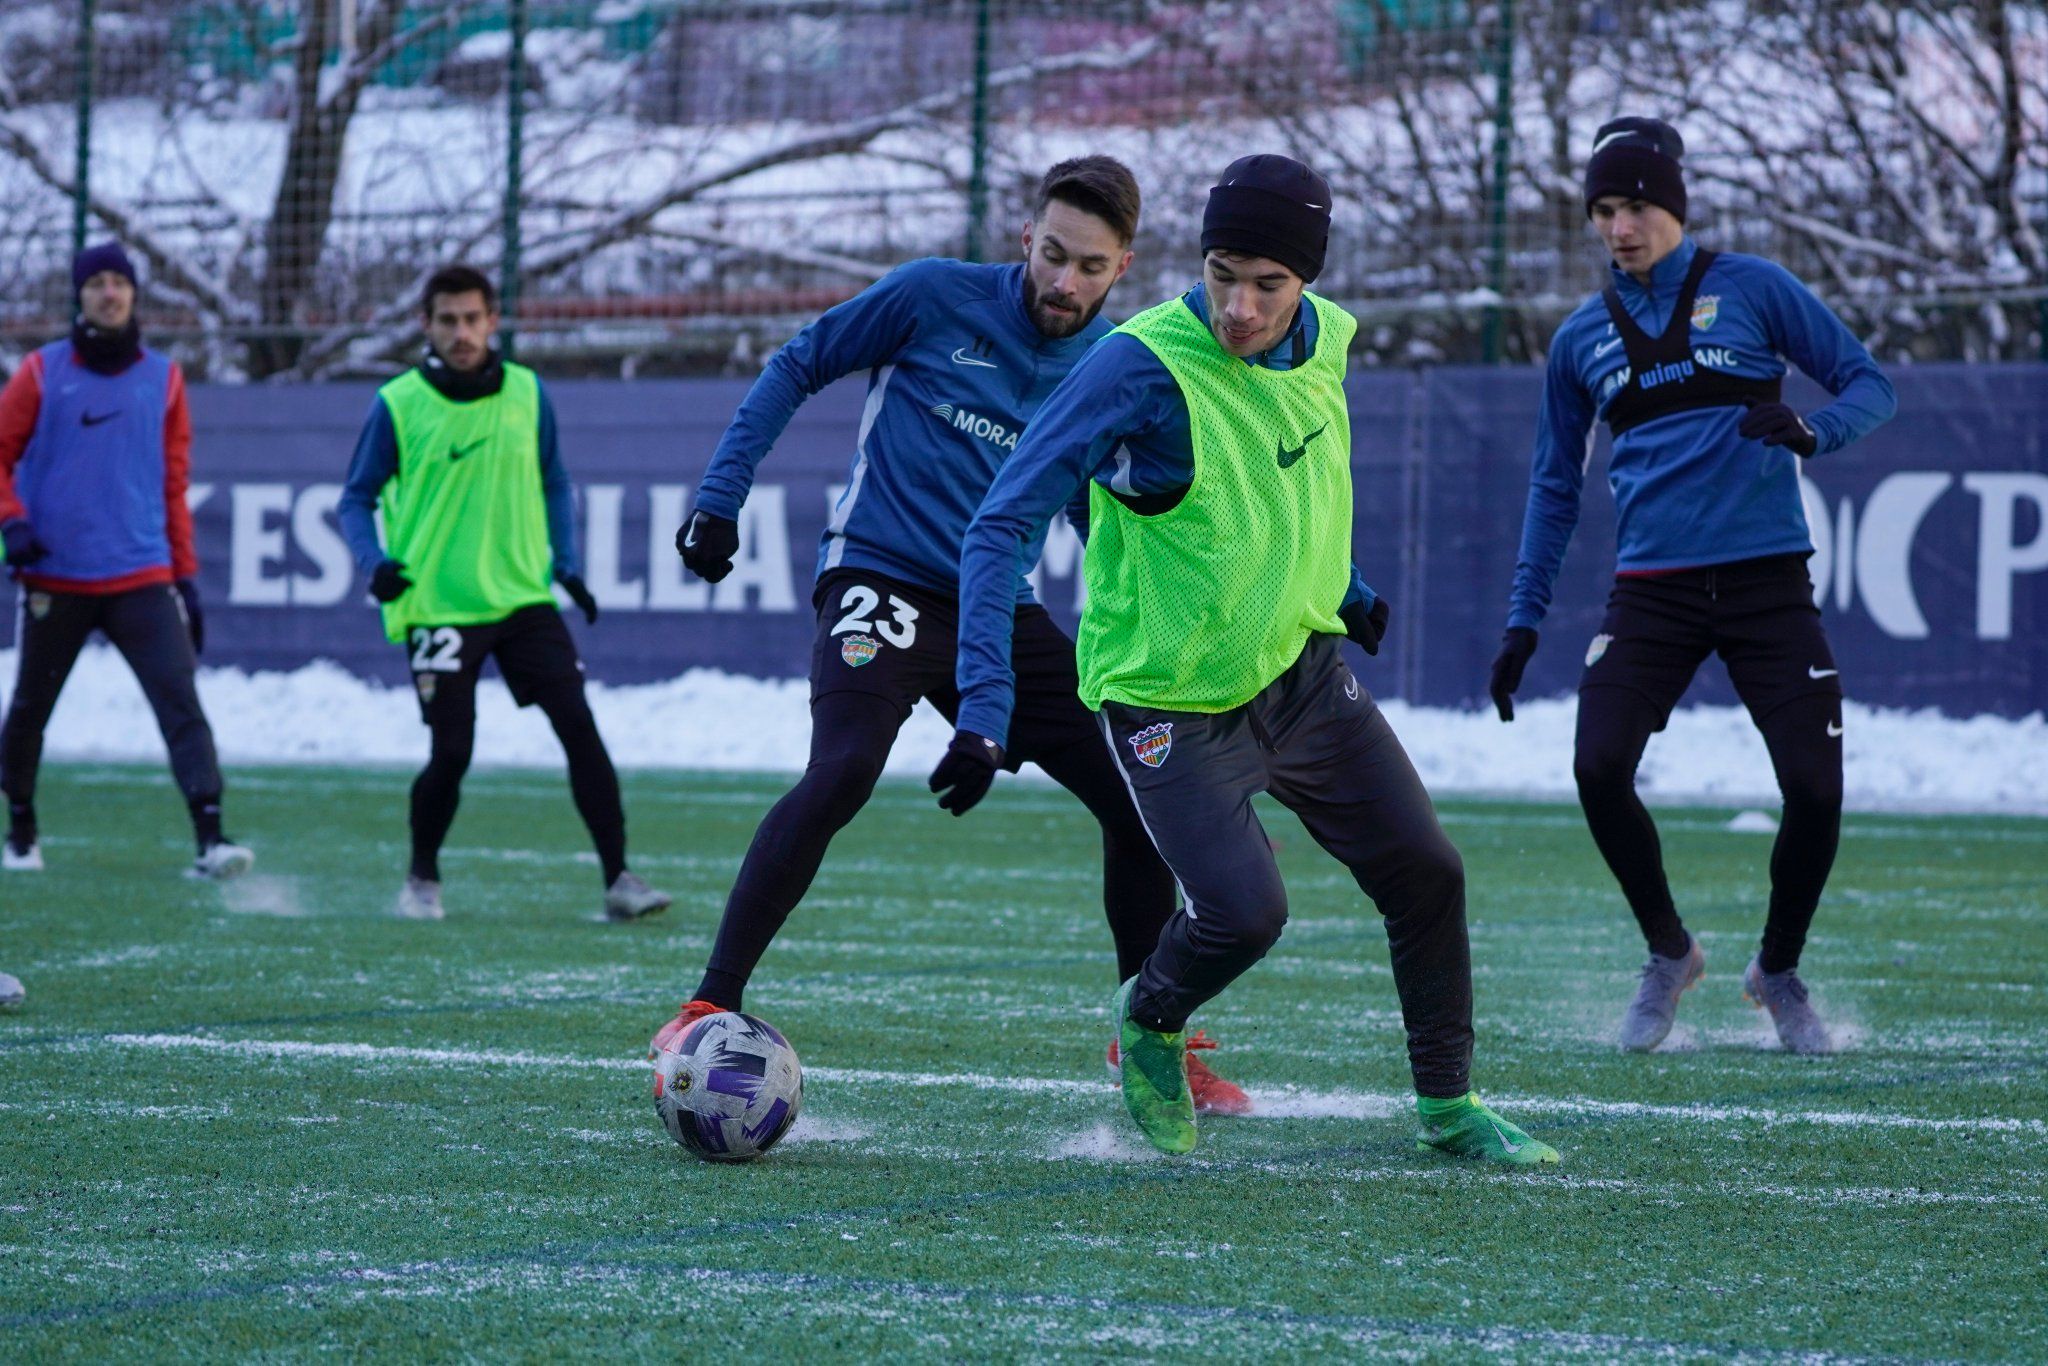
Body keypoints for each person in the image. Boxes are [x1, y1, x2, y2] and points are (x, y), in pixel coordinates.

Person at [944, 154, 1556, 1164]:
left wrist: (1345, 590)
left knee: (1427, 871)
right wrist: (984, 695)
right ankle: (1147, 1018)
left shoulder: (1330, 345)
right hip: (1168, 698)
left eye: (1267, 284)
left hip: (1299, 672)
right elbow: (998, 521)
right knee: (1243, 913)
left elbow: (1286, 488)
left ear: (1307, 279)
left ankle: (1448, 1107)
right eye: (1220, 272)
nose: (1237, 304)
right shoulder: (1138, 365)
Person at [648, 158, 1254, 1115]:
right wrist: (720, 498)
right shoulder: (933, 296)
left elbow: (1111, 523)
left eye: (1089, 268)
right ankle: (706, 1002)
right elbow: (798, 362)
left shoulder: (1119, 366)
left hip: (995, 610)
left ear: (1123, 268)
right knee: (843, 768)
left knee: (1141, 798)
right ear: (1026, 238)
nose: (1065, 283)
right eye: (1052, 255)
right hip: (879, 577)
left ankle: (1150, 1040)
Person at [1487, 118, 1896, 1055]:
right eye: (1602, 210)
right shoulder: (1580, 337)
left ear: (1672, 204)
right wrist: (1523, 619)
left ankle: (1778, 969)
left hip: (1766, 585)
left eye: (1635, 206)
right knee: (1597, 768)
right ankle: (1670, 953)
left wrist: (1813, 431)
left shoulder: (1753, 288)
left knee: (1816, 791)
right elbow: (1555, 486)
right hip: (1654, 592)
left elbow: (1870, 384)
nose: (1619, 227)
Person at [338, 264, 670, 923]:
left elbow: (553, 481)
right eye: (447, 320)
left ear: (493, 321)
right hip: (437, 604)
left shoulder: (526, 392)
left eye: (472, 319)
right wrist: (372, 561)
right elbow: (355, 498)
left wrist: (567, 566)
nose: (461, 332)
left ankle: (620, 879)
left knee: (579, 727)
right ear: (426, 325)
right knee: (453, 751)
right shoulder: (399, 403)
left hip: (522, 599)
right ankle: (422, 878)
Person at [0, 242, 252, 880]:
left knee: (181, 702)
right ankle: (22, 826)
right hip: (56, 576)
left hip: (142, 577)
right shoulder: (40, 372)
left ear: (135, 294)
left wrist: (186, 578)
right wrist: (12, 522)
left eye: (120, 282)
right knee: (30, 709)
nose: (109, 292)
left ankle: (212, 837)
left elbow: (173, 481)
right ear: (79, 295)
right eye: (97, 283)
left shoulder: (163, 378)